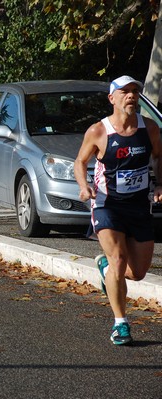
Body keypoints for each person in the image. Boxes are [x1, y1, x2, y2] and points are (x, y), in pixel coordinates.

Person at [74, 75, 162, 345]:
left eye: (135, 91)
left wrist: (159, 184)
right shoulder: (98, 131)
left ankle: (104, 268)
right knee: (119, 259)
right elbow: (80, 161)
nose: (132, 96)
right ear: (112, 98)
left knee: (137, 273)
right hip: (106, 204)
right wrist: (84, 185)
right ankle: (120, 324)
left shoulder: (149, 128)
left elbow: (160, 157)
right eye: (125, 92)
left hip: (138, 207)